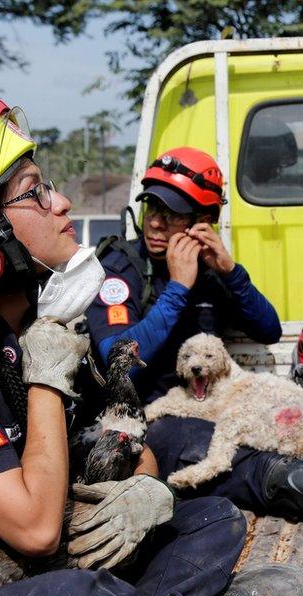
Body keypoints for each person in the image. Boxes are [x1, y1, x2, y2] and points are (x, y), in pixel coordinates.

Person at [0, 98, 303, 596]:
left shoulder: (14, 336)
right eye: (35, 191)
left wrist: (144, 488)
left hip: (27, 571)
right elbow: (36, 529)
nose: (63, 203)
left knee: (213, 520)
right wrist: (46, 374)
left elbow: (121, 444)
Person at [84, 146, 281, 404]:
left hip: (205, 408)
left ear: (203, 221)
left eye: (172, 214)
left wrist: (232, 273)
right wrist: (177, 289)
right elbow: (119, 366)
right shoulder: (119, 269)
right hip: (146, 416)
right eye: (152, 208)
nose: (155, 222)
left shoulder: (211, 272)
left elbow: (269, 331)